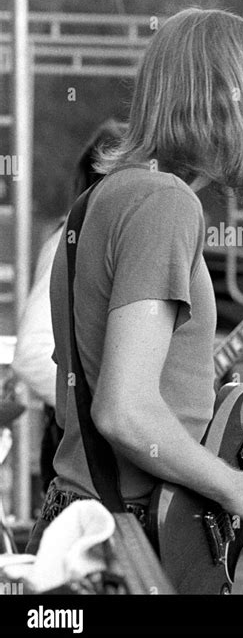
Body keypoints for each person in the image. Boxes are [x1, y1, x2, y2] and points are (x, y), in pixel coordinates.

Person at [26, 9, 243, 567]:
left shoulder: (97, 205)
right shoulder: (166, 203)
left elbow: (103, 400)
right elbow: (124, 411)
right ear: (225, 97)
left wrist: (242, 452)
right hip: (129, 543)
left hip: (85, 524)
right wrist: (233, 487)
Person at [10, 118, 127, 494]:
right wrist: (98, 413)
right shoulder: (70, 241)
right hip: (81, 458)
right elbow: (31, 354)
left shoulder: (116, 243)